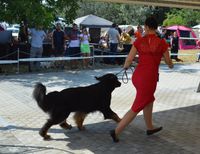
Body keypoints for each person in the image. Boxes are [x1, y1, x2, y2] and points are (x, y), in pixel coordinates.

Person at [109, 16, 174, 143]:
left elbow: (129, 59)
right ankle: (116, 131)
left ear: (146, 27)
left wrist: (126, 67)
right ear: (155, 28)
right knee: (137, 106)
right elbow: (168, 61)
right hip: (149, 79)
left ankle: (149, 127)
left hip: (138, 76)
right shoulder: (162, 43)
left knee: (149, 100)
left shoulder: (139, 41)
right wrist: (171, 65)